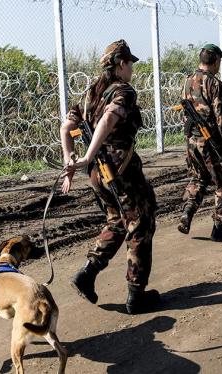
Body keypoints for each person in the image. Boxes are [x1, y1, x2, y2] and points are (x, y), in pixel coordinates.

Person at [60, 40, 159, 314]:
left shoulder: (90, 93)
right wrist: (89, 155)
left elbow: (66, 127)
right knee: (141, 223)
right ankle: (136, 295)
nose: (132, 71)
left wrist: (71, 158)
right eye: (130, 64)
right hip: (121, 170)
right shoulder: (123, 91)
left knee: (117, 221)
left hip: (97, 175)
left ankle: (87, 274)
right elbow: (108, 120)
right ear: (121, 64)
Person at [177, 43, 222, 242]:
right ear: (215, 61)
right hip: (212, 143)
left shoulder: (187, 81)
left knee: (198, 178)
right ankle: (219, 228)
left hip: (192, 141)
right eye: (219, 61)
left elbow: (184, 112)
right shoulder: (214, 84)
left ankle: (187, 212)